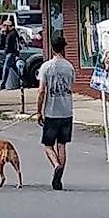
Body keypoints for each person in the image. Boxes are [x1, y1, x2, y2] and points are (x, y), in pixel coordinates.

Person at [36, 31, 75, 191]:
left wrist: (39, 111)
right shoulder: (69, 67)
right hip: (66, 111)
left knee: (47, 144)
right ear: (64, 48)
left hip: (52, 112)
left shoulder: (46, 67)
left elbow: (41, 91)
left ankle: (56, 164)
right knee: (62, 144)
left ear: (52, 48)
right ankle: (60, 175)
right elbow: (70, 86)